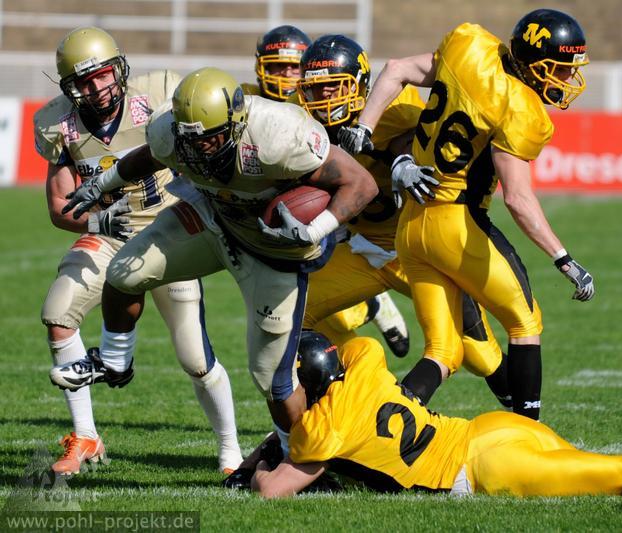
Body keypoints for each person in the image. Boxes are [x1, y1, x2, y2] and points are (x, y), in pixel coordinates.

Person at [52, 66, 378, 452]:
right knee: (124, 272)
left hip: (273, 247)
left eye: (210, 138)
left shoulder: (279, 133)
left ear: (236, 123)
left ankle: (299, 458)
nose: (199, 149)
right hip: (212, 217)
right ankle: (114, 360)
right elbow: (151, 156)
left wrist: (314, 230)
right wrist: (103, 184)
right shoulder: (171, 130)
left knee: (272, 379)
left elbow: (362, 183)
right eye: (190, 140)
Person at [337, 9, 597, 420]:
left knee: (443, 351)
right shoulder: (523, 108)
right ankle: (526, 434)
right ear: (533, 63)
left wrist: (364, 127)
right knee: (525, 323)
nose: (567, 79)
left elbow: (396, 69)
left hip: (411, 228)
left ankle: (379, 425)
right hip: (456, 225)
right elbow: (518, 199)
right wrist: (563, 258)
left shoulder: (470, 44)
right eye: (561, 69)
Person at [36, 27, 242, 475]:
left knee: (195, 359)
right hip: (111, 235)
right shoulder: (60, 124)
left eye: (103, 75)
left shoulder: (159, 95)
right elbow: (58, 206)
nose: (97, 87)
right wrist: (97, 222)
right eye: (84, 81)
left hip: (170, 234)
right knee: (58, 312)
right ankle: (85, 436)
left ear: (119, 68)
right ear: (70, 87)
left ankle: (231, 452)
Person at [242, 332, 622, 498]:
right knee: (592, 463)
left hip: (480, 471)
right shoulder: (364, 360)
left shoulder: (323, 432)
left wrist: (265, 463)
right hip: (490, 426)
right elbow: (353, 347)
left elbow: (273, 490)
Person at [295, 35, 512, 404]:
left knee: (479, 356)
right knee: (290, 315)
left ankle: (523, 411)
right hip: (362, 251)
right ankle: (338, 406)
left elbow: (407, 141)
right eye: (316, 89)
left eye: (334, 86)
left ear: (360, 85)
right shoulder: (300, 125)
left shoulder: (392, 109)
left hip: (415, 254)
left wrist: (403, 163)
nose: (325, 97)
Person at [244, 25, 411, 357]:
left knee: (472, 340)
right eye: (277, 67)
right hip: (348, 228)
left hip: (394, 233)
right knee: (288, 298)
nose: (286, 76)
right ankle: (358, 337)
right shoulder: (270, 106)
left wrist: (405, 162)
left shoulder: (390, 109)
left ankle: (371, 306)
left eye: (293, 67)